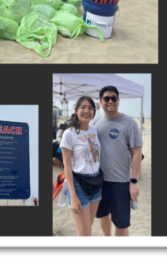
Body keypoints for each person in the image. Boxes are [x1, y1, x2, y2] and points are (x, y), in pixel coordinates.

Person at [95, 86, 142, 237]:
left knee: (121, 224)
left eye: (113, 98)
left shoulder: (129, 123)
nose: (110, 101)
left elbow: (137, 152)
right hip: (99, 181)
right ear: (101, 101)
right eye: (106, 98)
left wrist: (133, 181)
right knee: (103, 215)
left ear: (118, 100)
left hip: (120, 183)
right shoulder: (95, 123)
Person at [58, 96, 101, 236]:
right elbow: (67, 167)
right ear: (76, 110)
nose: (86, 111)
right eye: (83, 107)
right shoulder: (69, 134)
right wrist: (73, 196)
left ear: (94, 111)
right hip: (78, 185)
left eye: (90, 108)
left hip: (96, 183)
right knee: (84, 234)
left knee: (87, 229)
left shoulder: (94, 130)